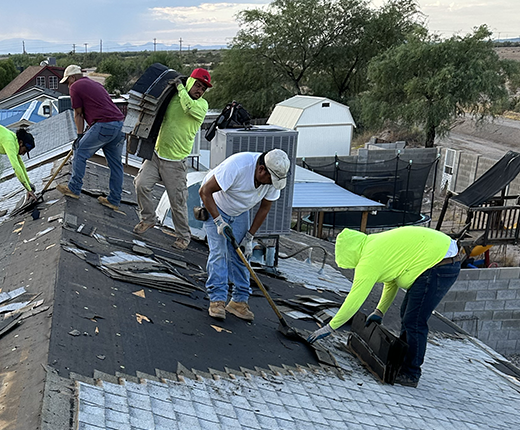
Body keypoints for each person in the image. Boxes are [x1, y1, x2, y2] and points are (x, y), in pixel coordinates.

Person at [307, 226, 462, 387]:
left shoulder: (368, 261)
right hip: (441, 257)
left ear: (349, 254)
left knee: (414, 320)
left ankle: (411, 374)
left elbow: (354, 300)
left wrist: (330, 327)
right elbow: (391, 281)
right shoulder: (373, 244)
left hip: (440, 263)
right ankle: (403, 363)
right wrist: (379, 311)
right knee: (408, 314)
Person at [198, 149, 290, 321]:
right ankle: (217, 300)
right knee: (219, 252)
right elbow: (204, 191)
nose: (271, 184)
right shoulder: (238, 166)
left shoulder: (271, 180)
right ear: (261, 169)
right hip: (215, 205)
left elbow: (264, 208)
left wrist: (249, 237)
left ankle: (239, 302)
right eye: (270, 179)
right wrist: (218, 221)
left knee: (242, 255)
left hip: (240, 211)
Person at [134, 68, 212, 251]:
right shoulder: (175, 95)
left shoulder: (201, 106)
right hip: (156, 153)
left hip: (175, 161)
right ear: (190, 82)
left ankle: (183, 236)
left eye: (203, 88)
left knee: (177, 201)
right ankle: (148, 219)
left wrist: (180, 88)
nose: (199, 90)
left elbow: (188, 107)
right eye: (197, 85)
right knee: (141, 184)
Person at [56, 65, 126, 214]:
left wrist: (80, 136)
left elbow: (78, 114)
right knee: (116, 164)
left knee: (80, 151)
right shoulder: (95, 84)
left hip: (104, 125)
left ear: (72, 78)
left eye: (67, 81)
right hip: (119, 125)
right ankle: (114, 200)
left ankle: (74, 188)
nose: (68, 85)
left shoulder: (75, 86)